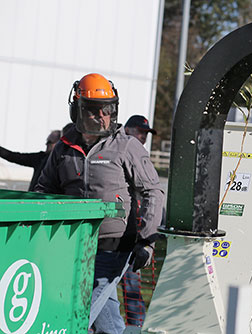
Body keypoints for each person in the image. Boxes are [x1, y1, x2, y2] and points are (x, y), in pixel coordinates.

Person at [35, 73, 165, 334]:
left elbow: (153, 190)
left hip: (113, 245)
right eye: (94, 110)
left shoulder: (127, 147)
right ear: (78, 110)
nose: (102, 116)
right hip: (70, 244)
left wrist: (147, 241)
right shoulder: (63, 148)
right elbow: (44, 190)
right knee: (108, 323)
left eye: (107, 110)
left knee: (78, 313)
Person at [120, 114, 158, 326]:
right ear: (127, 130)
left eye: (146, 133)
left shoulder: (138, 154)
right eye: (140, 131)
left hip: (132, 232)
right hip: (116, 231)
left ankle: (136, 325)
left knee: (130, 283)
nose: (143, 136)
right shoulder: (120, 150)